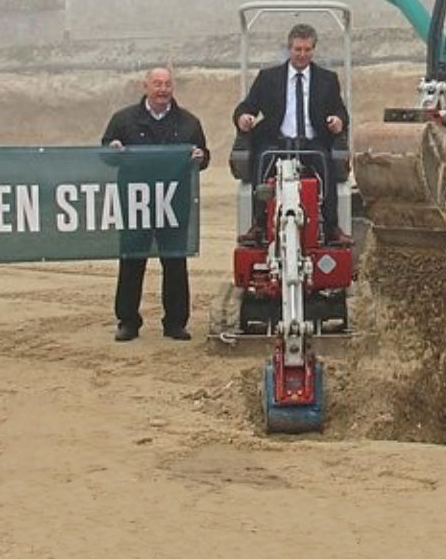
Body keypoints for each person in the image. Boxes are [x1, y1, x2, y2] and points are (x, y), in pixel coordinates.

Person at [102, 66, 210, 341]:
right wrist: (112, 150)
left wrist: (200, 156)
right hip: (136, 202)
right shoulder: (123, 120)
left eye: (167, 84)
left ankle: (175, 323)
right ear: (145, 87)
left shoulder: (189, 123)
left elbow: (204, 157)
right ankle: (127, 322)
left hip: (174, 202)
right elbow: (105, 152)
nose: (162, 89)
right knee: (131, 261)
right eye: (157, 84)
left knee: (174, 262)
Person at [232, 24, 348, 242]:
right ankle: (258, 224)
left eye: (307, 50)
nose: (302, 55)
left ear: (313, 50)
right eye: (297, 49)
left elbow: (340, 110)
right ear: (289, 49)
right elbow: (246, 107)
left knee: (325, 162)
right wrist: (244, 118)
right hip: (277, 141)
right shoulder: (268, 78)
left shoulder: (327, 79)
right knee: (262, 161)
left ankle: (332, 226)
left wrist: (338, 121)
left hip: (311, 142)